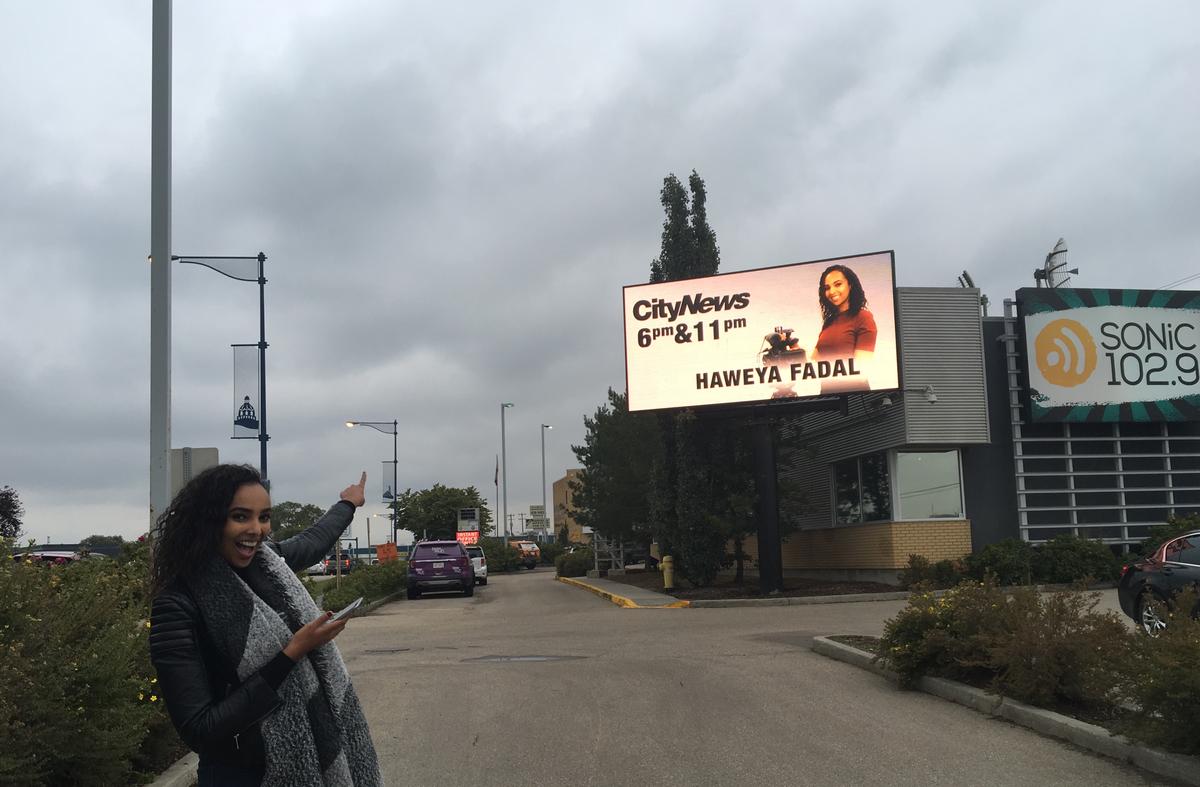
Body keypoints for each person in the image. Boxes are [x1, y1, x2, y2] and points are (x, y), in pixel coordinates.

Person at [149, 464, 381, 787]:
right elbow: (201, 729)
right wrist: (293, 653)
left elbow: (314, 540)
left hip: (307, 762)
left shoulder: (268, 566)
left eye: (264, 517)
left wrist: (348, 504)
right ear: (209, 520)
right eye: (241, 516)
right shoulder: (177, 605)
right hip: (236, 775)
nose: (257, 529)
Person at [814, 264, 877, 392]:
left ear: (850, 285)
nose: (831, 292)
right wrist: (794, 350)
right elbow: (815, 362)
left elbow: (860, 372)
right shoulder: (829, 322)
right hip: (828, 396)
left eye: (838, 284)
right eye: (827, 288)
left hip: (856, 397)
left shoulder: (863, 317)